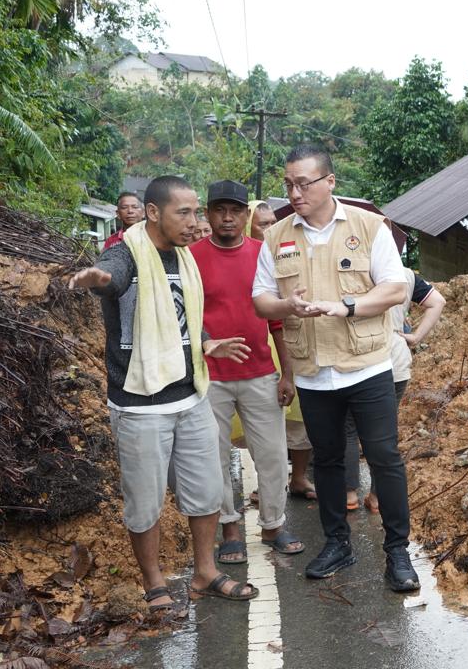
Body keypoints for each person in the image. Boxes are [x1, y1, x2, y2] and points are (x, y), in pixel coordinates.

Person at [69, 175, 259, 610]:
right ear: (153, 213)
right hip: (140, 404)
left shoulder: (183, 258)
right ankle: (154, 582)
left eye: (196, 211)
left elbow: (183, 316)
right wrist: (98, 278)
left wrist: (206, 341)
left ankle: (205, 572)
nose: (195, 221)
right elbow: (111, 278)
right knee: (145, 501)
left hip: (190, 396)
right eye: (184, 212)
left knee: (207, 491)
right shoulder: (125, 254)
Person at [251, 144, 419, 592]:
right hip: (313, 372)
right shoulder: (277, 236)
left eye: (304, 182)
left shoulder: (367, 227)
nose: (295, 191)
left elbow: (395, 289)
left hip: (366, 367)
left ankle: (397, 553)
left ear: (330, 182)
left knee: (384, 458)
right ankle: (337, 544)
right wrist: (287, 304)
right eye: (288, 183)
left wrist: (346, 306)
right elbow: (261, 298)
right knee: (326, 461)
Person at [191, 180, 305, 564]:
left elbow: (279, 321)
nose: (227, 217)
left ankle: (273, 524)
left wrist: (286, 373)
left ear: (246, 215)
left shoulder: (264, 254)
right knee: (214, 456)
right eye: (219, 210)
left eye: (236, 210)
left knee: (272, 453)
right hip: (210, 377)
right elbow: (184, 317)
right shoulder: (190, 258)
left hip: (260, 372)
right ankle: (230, 528)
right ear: (207, 214)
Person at [344, 267, 446, 514]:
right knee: (383, 431)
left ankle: (348, 495)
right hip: (396, 361)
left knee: (348, 428)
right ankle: (377, 498)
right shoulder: (405, 275)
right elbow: (437, 301)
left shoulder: (350, 269)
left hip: (358, 358)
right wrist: (416, 336)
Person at [248, 199, 317, 501]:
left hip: (288, 339)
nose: (269, 228)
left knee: (299, 413)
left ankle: (299, 477)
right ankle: (268, 484)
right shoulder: (245, 256)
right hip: (255, 345)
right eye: (262, 223)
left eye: (271, 222)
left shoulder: (285, 250)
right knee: (262, 419)